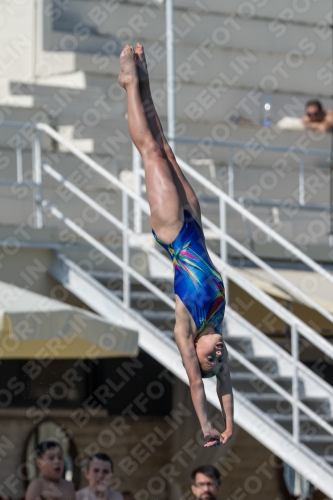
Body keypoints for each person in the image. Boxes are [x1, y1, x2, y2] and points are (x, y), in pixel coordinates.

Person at [118, 43, 233, 448]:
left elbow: (200, 389)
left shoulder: (186, 327)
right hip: (195, 227)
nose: (218, 356)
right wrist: (230, 424)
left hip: (172, 232)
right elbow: (225, 385)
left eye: (210, 360)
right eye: (220, 359)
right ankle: (144, 82)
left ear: (196, 355)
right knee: (165, 146)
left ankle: (129, 85)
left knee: (150, 152)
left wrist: (206, 426)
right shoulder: (216, 327)